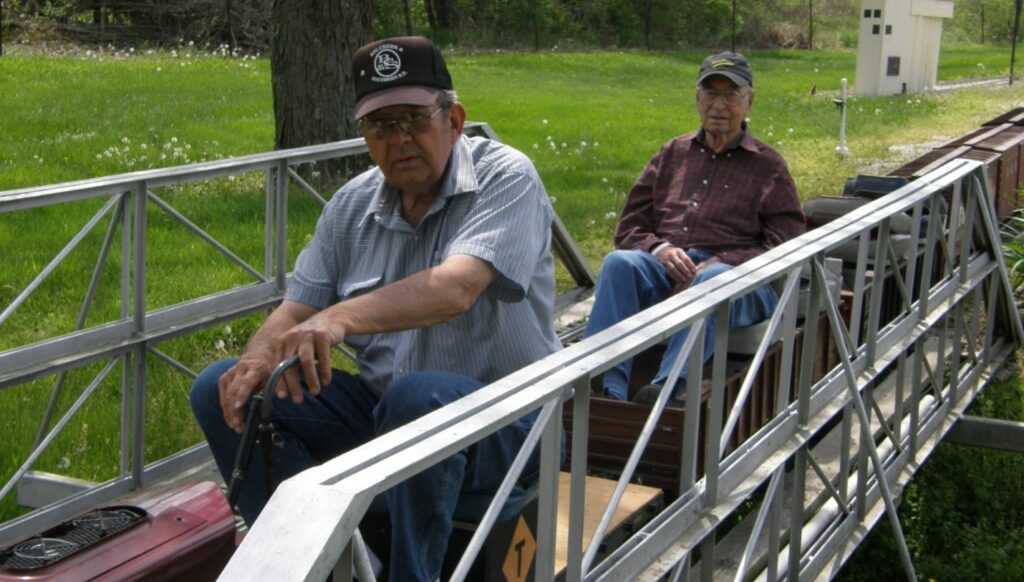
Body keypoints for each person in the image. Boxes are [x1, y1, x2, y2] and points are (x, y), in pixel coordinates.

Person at [189, 35, 560, 581]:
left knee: (418, 398)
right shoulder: (352, 204)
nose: (399, 138)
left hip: (508, 423)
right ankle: (312, 562)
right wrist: (255, 362)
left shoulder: (506, 177)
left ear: (453, 120)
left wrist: (339, 317)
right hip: (387, 414)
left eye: (413, 118)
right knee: (225, 388)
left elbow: (456, 288)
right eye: (380, 126)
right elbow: (295, 309)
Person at [583, 51, 805, 404]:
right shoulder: (673, 153)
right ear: (697, 100)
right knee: (619, 263)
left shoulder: (769, 166)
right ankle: (604, 384)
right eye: (710, 94)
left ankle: (668, 388)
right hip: (670, 270)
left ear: (749, 102)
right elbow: (631, 226)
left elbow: (787, 240)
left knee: (711, 281)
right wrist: (661, 250)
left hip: (738, 283)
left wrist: (725, 262)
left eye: (730, 95)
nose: (719, 105)